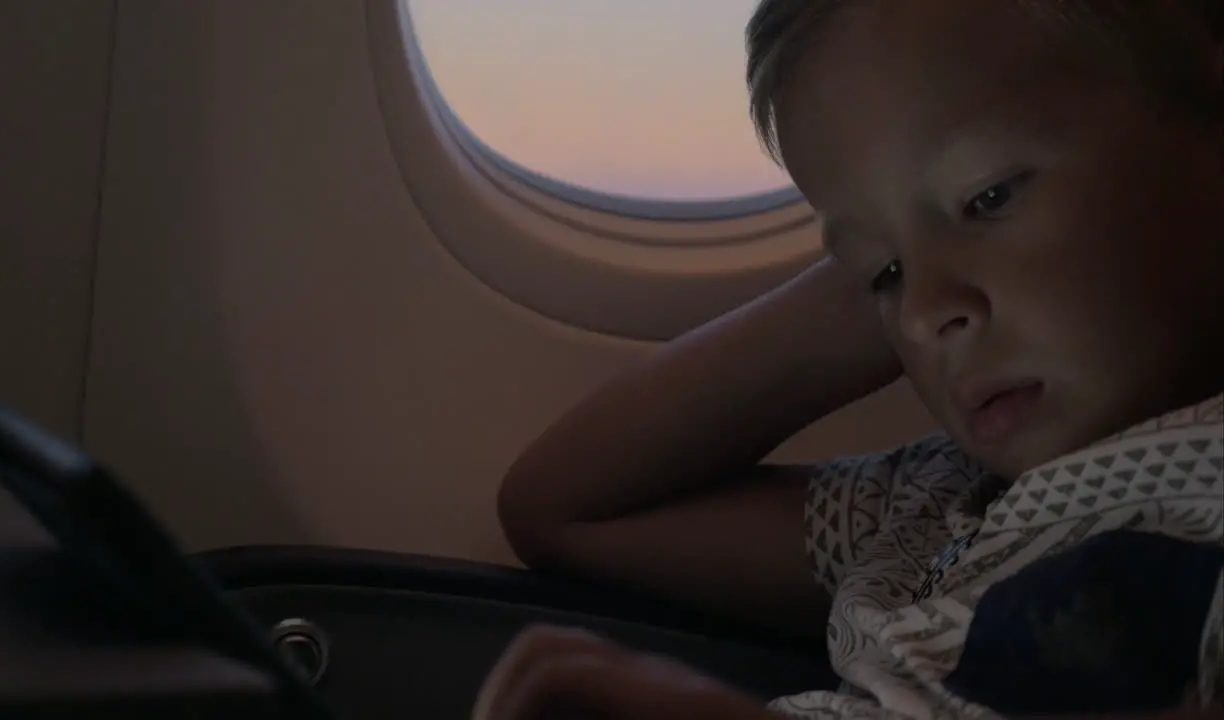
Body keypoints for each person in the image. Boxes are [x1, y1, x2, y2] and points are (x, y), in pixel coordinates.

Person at [474, 1, 1224, 718]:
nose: (926, 314)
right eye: (882, 276)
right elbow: (566, 507)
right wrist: (890, 265)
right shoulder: (921, 510)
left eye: (990, 197)